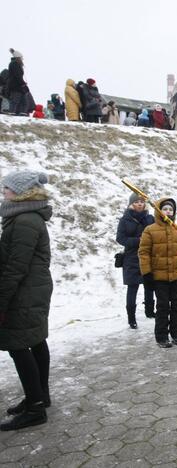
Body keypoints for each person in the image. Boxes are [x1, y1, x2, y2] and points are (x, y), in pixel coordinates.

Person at [0, 170, 53, 431]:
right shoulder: (26, 217)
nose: (4, 193)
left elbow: (15, 267)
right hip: (31, 288)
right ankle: (40, 396)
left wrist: (2, 301)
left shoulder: (24, 221)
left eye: (7, 189)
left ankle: (35, 408)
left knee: (19, 345)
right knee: (34, 341)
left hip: (24, 290)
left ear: (21, 193)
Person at [138, 198, 177, 348]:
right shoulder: (150, 230)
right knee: (162, 307)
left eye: (171, 209)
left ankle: (176, 334)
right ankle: (161, 337)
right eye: (165, 209)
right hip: (159, 276)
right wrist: (147, 273)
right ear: (158, 211)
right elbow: (143, 253)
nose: (168, 212)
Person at [116, 193, 155, 329]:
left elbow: (156, 232)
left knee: (149, 285)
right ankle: (131, 318)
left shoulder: (150, 218)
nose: (139, 204)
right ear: (131, 204)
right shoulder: (125, 219)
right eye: (136, 202)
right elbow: (120, 238)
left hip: (147, 256)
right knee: (132, 287)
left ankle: (150, 311)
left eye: (141, 202)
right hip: (131, 258)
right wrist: (138, 241)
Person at [6, 48, 28, 115]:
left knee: (24, 101)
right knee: (15, 101)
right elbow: (17, 75)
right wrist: (23, 83)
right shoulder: (14, 64)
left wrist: (23, 83)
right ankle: (11, 112)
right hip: (15, 86)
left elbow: (19, 76)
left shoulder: (17, 64)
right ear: (18, 58)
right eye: (21, 58)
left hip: (19, 86)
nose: (22, 59)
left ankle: (22, 113)